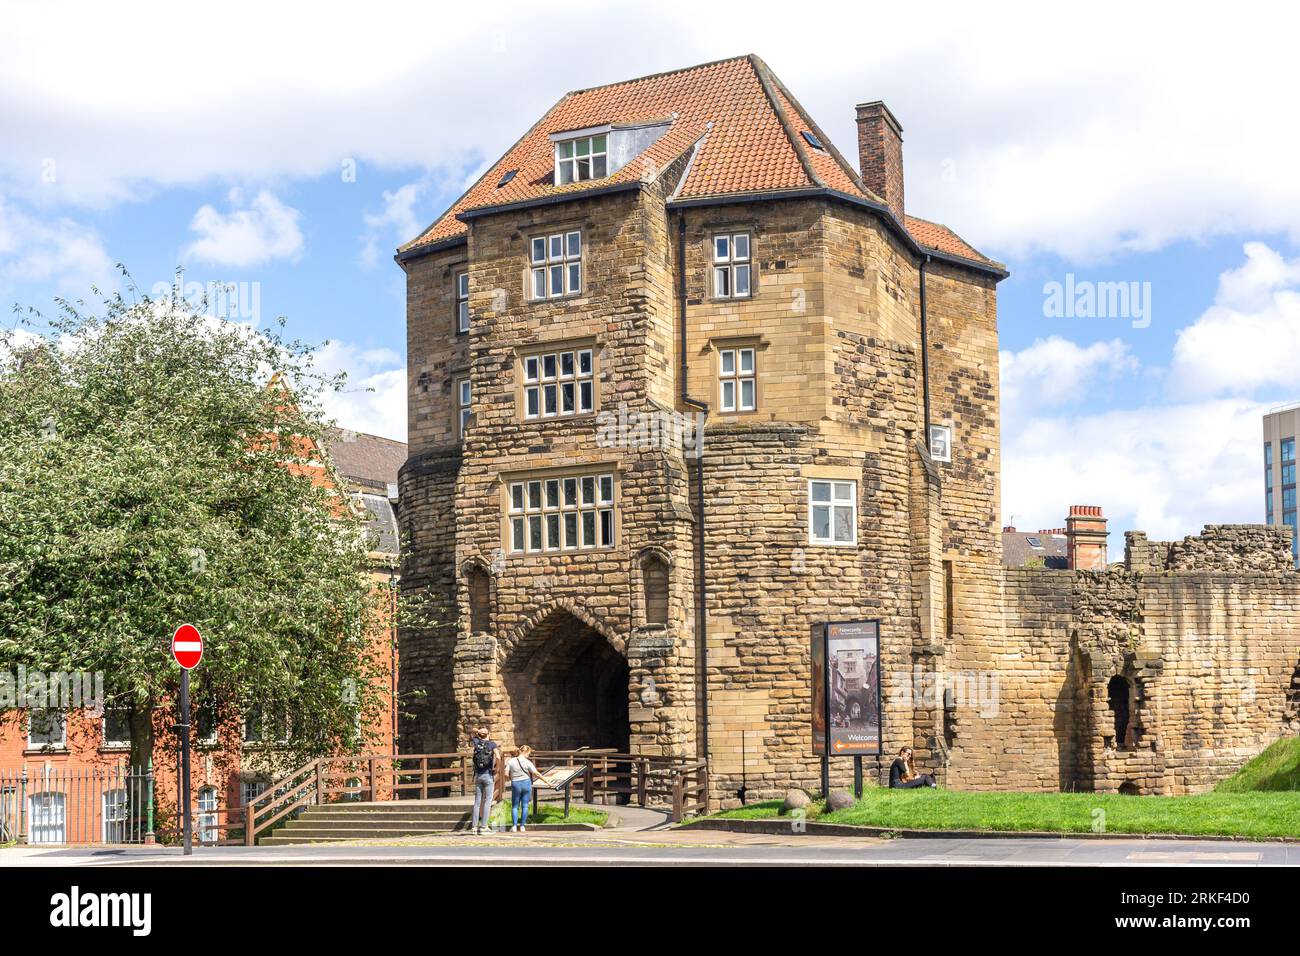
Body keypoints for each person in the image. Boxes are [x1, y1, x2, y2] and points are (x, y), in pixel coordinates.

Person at [504, 745, 545, 832]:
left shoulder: (511, 761)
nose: (529, 755)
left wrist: (511, 778)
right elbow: (536, 773)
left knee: (515, 806)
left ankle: (514, 826)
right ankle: (522, 826)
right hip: (526, 783)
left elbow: (506, 773)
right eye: (529, 753)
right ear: (525, 752)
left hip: (516, 783)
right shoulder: (528, 762)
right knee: (525, 806)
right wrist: (547, 782)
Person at [469, 727, 500, 833]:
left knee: (477, 802)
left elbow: (472, 731)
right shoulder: (492, 744)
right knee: (488, 801)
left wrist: (478, 732)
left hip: (478, 775)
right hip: (488, 775)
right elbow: (498, 757)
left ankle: (474, 827)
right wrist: (497, 768)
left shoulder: (476, 742)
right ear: (488, 734)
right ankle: (484, 827)